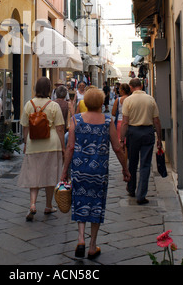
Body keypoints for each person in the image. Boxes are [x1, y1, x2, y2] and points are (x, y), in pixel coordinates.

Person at [61, 88, 130, 260]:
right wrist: (125, 168)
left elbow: (69, 148)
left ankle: (80, 239)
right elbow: (117, 148)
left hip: (79, 169)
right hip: (99, 170)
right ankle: (92, 246)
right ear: (100, 103)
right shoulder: (108, 121)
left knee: (80, 200)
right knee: (96, 204)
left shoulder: (75, 120)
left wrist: (64, 171)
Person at [17, 77, 65, 221]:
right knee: (50, 175)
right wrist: (63, 147)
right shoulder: (53, 105)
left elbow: (25, 127)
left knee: (34, 175)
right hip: (52, 144)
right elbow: (60, 129)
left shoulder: (28, 104)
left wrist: (26, 142)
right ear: (49, 89)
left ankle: (32, 204)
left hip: (34, 144)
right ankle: (48, 205)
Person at [120, 78, 163, 205]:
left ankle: (131, 188)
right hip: (147, 133)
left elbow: (125, 122)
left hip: (133, 133)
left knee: (132, 163)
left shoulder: (128, 100)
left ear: (131, 87)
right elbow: (156, 120)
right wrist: (159, 138)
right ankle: (141, 195)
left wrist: (122, 140)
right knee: (145, 165)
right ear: (141, 86)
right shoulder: (150, 99)